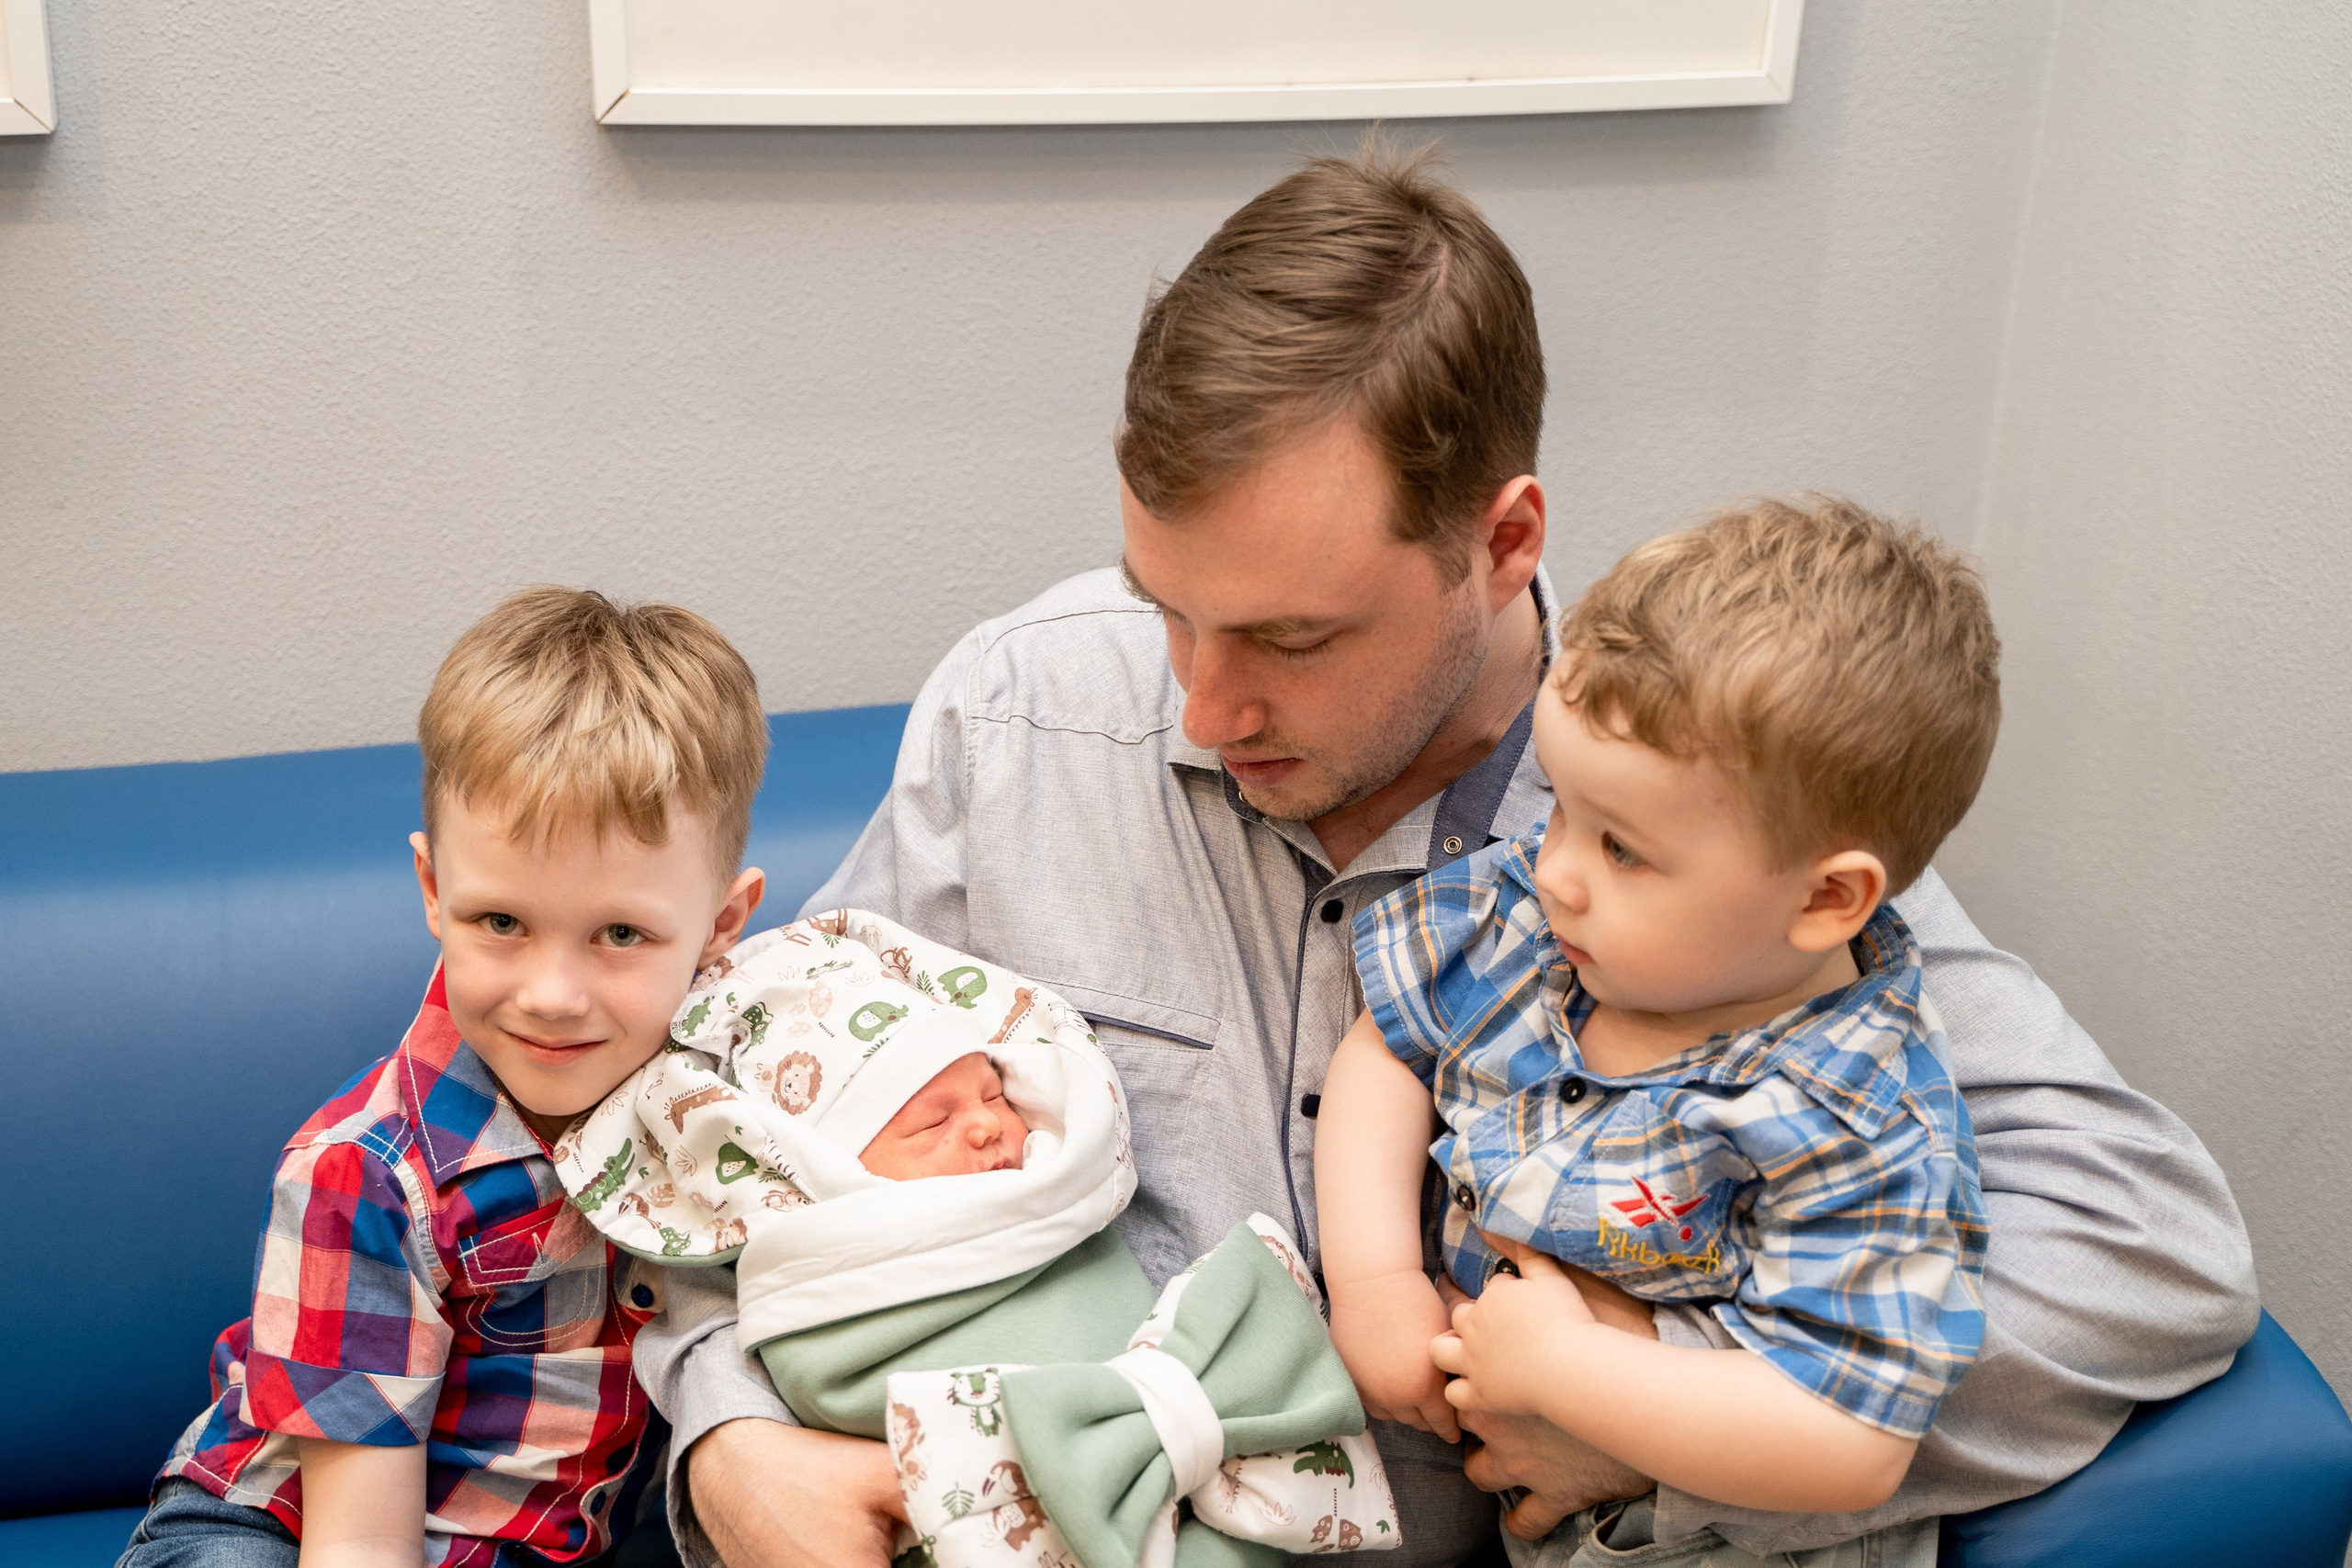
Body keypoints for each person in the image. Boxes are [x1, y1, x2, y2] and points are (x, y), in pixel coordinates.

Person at [639, 144, 2256, 1568]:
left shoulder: (1702, 812)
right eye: (1167, 608)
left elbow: (2153, 1254)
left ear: (1503, 543)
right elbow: (731, 1123)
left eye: (1290, 636)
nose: (1202, 705)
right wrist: (729, 1444)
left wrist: (1660, 1423)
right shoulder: (1021, 715)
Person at [1319, 498, 2001, 1567]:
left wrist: (1565, 1375)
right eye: (1558, 806)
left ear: (1825, 901)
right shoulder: (1532, 925)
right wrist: (1372, 1284)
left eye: (1623, 849)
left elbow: (1850, 1440)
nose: (1554, 869)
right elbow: (1387, 1049)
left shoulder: (1851, 1119)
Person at [119, 588, 771, 1568]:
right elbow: (358, 1547)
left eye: (621, 934)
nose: (552, 995)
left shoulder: (729, 1103)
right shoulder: (364, 1176)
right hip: (291, 1525)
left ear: (723, 925)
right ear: (433, 890)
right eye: (500, 923)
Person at [555, 908, 1399, 1567]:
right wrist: (735, 1447)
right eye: (936, 1119)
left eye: (994, 1093)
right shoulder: (835, 1270)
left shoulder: (1058, 1203)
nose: (993, 1129)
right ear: (831, 1172)